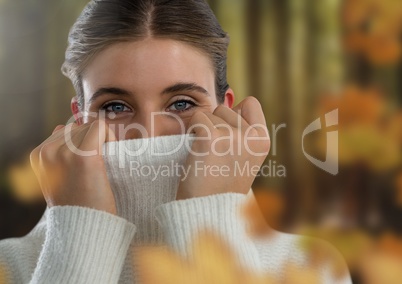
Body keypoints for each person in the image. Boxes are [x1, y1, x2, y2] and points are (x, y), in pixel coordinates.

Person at [0, 0, 352, 283]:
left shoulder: (311, 267)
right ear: (79, 120)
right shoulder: (8, 266)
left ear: (223, 112)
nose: (149, 133)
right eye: (115, 106)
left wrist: (209, 222)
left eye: (181, 103)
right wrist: (78, 233)